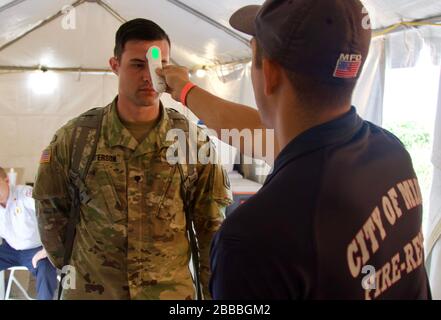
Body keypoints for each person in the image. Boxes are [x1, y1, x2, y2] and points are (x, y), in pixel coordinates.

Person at [159, 0, 431, 299]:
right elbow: (253, 131)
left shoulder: (253, 240)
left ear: (271, 74)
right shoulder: (390, 152)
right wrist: (185, 90)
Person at [33, 18, 232, 300]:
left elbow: (211, 228)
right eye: (138, 64)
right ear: (115, 65)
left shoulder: (191, 142)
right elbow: (51, 216)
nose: (150, 76)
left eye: (159, 65)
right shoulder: (75, 139)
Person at [0, 167, 57, 300]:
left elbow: (55, 217)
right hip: (10, 249)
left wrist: (47, 250)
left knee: (45, 268)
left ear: (7, 180)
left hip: (37, 248)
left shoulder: (26, 194)